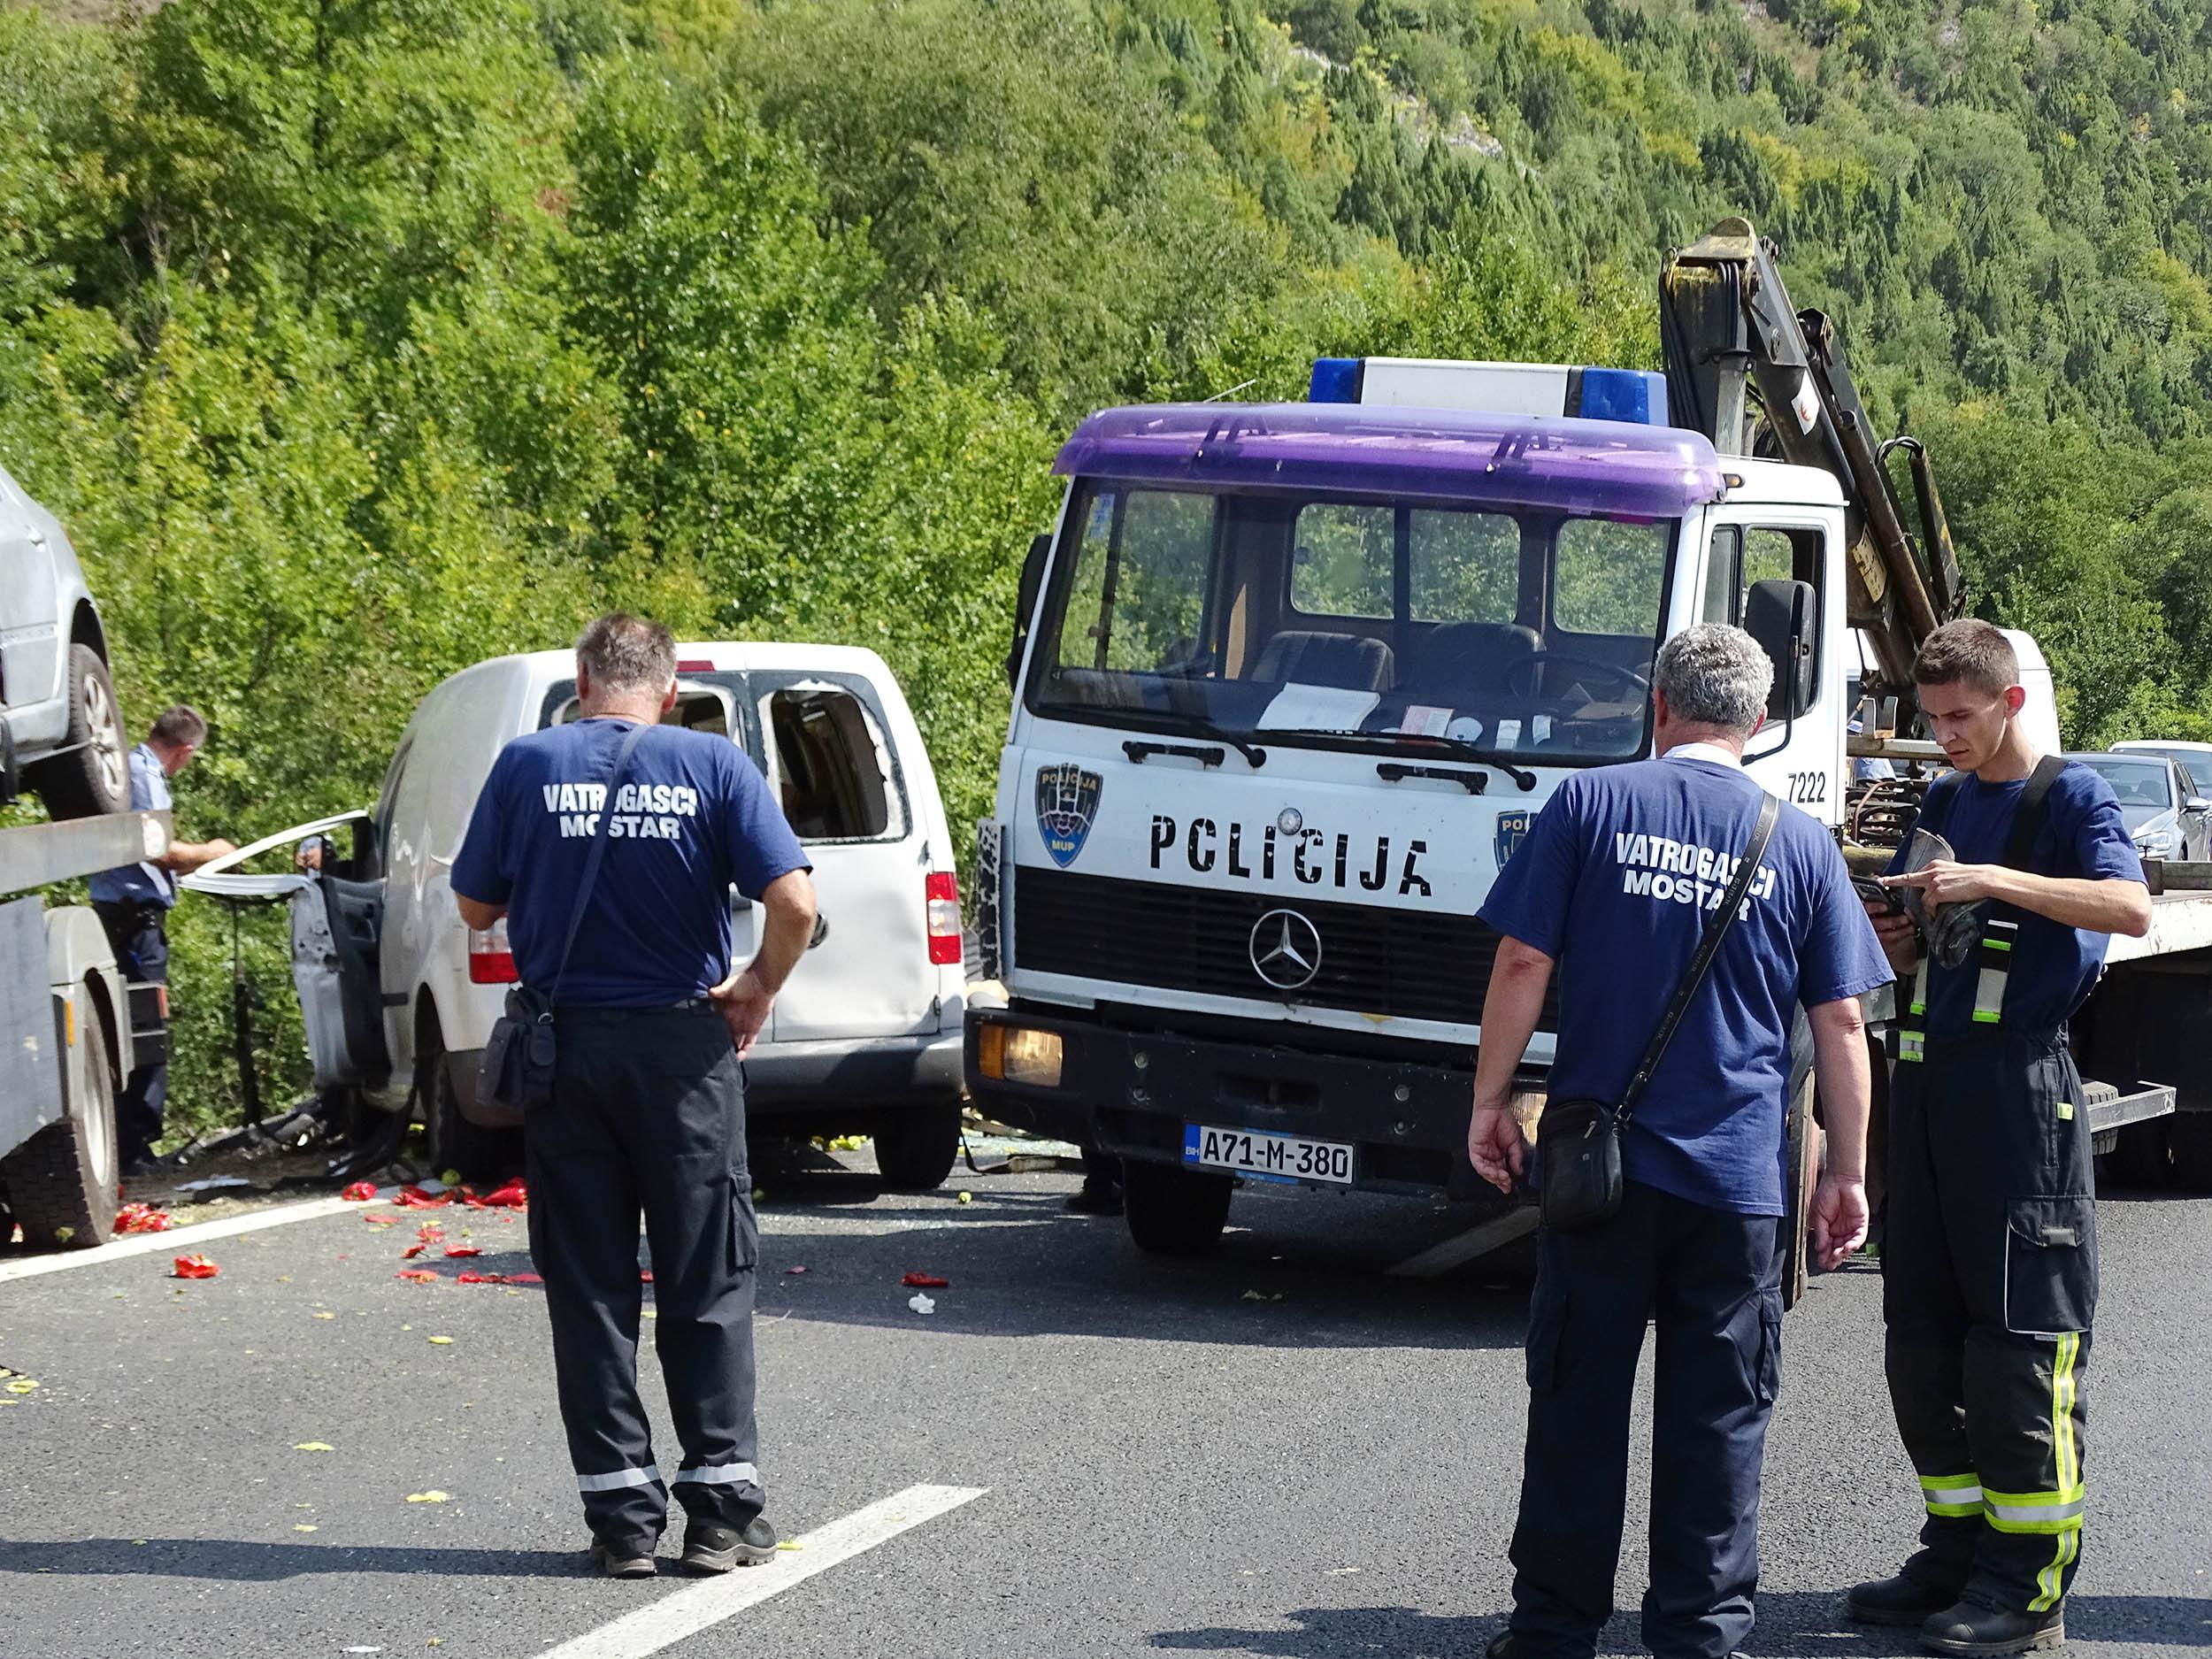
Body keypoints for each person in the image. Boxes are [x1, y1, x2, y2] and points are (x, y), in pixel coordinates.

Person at [1466, 623, 1891, 1659]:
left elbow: (1523, 961)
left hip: (1598, 1177)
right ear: (1757, 721)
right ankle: (1698, 1637)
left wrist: (1487, 1102)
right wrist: (1846, 1172)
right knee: (1717, 1424)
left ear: (1657, 706)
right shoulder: (1794, 842)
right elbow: (1840, 1022)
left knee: (1576, 1404)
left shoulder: (1591, 803)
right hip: (1736, 1188)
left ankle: (1553, 1632)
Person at [450, 614, 818, 1579]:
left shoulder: (527, 764)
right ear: (669, 685)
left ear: (581, 680)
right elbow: (796, 904)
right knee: (706, 1276)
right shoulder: (714, 766)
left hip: (565, 1051)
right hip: (682, 1052)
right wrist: (757, 987)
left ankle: (620, 1521)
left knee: (591, 1284)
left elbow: (475, 907)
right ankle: (721, 1513)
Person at [1851, 620, 2148, 1655]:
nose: (1943, 740)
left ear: (2010, 699)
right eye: (1930, 721)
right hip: (1928, 1088)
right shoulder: (1940, 798)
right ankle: (1955, 1552)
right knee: (1922, 1347)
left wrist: (1991, 881)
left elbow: (2127, 907)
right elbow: (1917, 926)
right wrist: (1895, 925)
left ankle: (2025, 1587)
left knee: (2020, 1351)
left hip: (2021, 1095)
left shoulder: (2066, 797)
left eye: (1959, 718)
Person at [87, 704, 235, 1177]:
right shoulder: (142, 773)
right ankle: (134, 1149)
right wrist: (211, 852)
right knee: (146, 1031)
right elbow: (159, 850)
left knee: (139, 1028)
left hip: (124, 918)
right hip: (133, 924)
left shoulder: (126, 768)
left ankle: (134, 1146)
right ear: (185, 751)